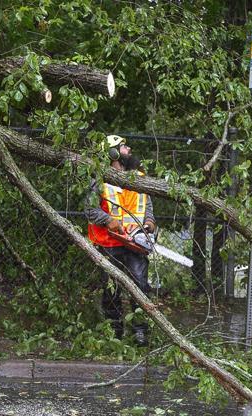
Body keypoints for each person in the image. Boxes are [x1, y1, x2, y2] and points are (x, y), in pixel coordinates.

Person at [85, 135, 156, 346]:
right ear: (113, 153)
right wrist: (108, 221)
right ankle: (114, 333)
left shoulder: (140, 178)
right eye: (124, 147)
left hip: (134, 243)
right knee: (111, 290)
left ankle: (140, 332)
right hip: (109, 243)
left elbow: (148, 208)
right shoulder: (98, 179)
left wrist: (150, 224)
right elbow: (90, 210)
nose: (129, 149)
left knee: (141, 286)